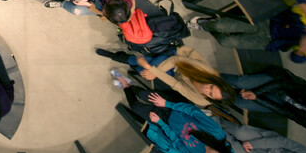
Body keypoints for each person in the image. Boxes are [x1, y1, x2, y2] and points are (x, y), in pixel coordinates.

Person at [114, 72, 237, 153]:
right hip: (176, 107)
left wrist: (161, 123)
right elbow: (193, 111)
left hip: (166, 122)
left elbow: (178, 142)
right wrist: (166, 104)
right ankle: (131, 86)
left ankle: (126, 86)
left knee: (136, 107)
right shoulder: (216, 133)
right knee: (143, 95)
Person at [96, 46, 237, 109]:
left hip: (176, 75)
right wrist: (153, 70)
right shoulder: (205, 71)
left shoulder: (200, 100)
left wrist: (152, 71)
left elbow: (176, 85)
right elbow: (177, 60)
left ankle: (126, 58)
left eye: (210, 94)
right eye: (211, 87)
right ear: (214, 81)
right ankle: (116, 56)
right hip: (177, 57)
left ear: (210, 99)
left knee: (145, 69)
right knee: (147, 66)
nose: (206, 89)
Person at [221, 66, 306, 134]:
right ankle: (213, 76)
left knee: (240, 102)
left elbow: (286, 113)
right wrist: (256, 92)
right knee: (241, 83)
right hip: (278, 81)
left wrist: (257, 98)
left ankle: (214, 92)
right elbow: (283, 83)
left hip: (279, 103)